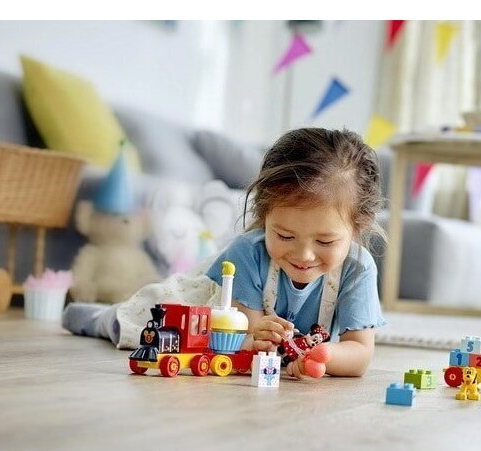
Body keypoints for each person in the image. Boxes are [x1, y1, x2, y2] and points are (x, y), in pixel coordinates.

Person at [63, 127, 386, 378]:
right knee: (143, 322)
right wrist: (257, 337)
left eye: (325, 242)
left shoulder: (358, 269)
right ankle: (97, 317)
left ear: (358, 226)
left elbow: (359, 353)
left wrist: (323, 357)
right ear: (264, 215)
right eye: (285, 235)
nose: (304, 255)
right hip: (213, 314)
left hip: (275, 347)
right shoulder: (248, 251)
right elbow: (242, 336)